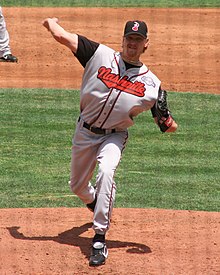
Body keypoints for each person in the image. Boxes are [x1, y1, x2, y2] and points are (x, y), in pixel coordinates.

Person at [42, 17, 178, 266]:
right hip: (84, 132)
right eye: (129, 39)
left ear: (146, 44)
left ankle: (99, 239)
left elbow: (167, 127)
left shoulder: (152, 84)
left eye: (138, 40)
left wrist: (167, 121)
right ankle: (96, 202)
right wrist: (50, 22)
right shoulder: (99, 55)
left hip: (115, 135)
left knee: (106, 171)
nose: (132, 44)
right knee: (77, 187)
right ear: (123, 39)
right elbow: (63, 37)